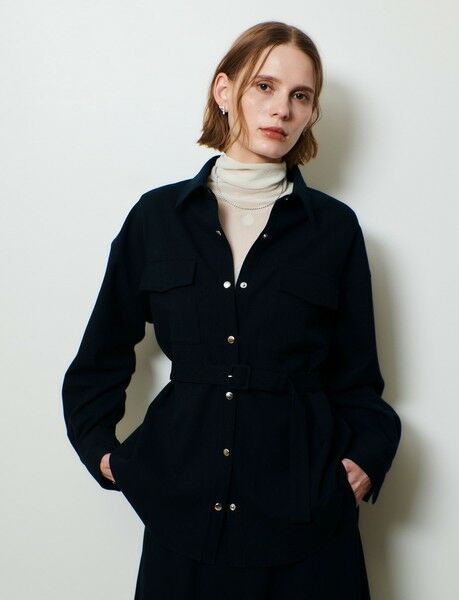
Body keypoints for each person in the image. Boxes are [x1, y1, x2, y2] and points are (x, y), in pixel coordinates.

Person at [62, 20, 402, 600]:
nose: (282, 110)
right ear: (225, 90)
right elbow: (102, 354)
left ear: (311, 112)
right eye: (264, 86)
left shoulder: (334, 229)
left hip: (307, 519)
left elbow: (358, 377)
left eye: (301, 96)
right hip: (183, 518)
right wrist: (103, 452)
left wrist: (366, 458)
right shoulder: (156, 219)